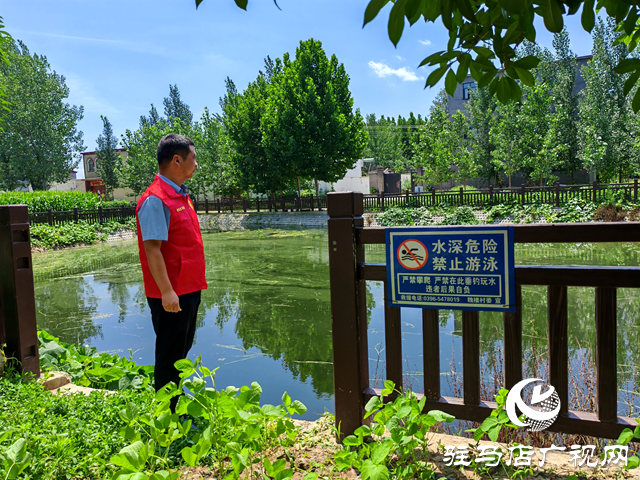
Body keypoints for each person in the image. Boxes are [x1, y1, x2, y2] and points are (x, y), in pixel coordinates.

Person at [135, 133, 207, 411]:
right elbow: (152, 249)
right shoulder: (156, 199)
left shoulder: (180, 195)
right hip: (172, 293)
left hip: (189, 288)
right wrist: (166, 291)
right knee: (169, 356)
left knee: (181, 352)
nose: (196, 164)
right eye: (193, 157)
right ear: (177, 160)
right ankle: (166, 416)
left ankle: (173, 404)